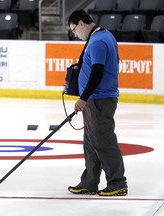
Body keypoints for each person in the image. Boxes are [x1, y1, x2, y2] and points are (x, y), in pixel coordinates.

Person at [66, 9, 128, 196]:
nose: (75, 34)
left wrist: (83, 98)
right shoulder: (101, 35)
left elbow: (98, 71)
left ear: (82, 24)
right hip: (95, 99)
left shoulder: (98, 41)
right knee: (91, 142)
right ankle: (89, 182)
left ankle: (118, 183)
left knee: (103, 142)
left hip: (99, 99)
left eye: (74, 29)